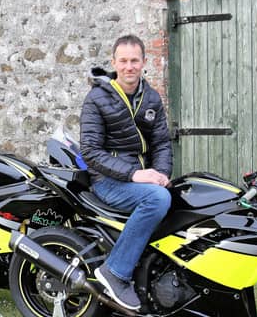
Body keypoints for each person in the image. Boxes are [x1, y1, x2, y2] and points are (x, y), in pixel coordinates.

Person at [79, 34, 173, 311]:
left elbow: (162, 143)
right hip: (107, 180)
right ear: (114, 62)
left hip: (142, 178)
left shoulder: (151, 97)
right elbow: (91, 152)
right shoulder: (96, 98)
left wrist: (163, 174)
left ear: (144, 62)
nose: (129, 66)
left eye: (134, 60)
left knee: (175, 195)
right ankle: (116, 272)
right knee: (156, 200)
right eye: (124, 61)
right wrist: (135, 174)